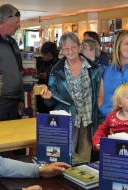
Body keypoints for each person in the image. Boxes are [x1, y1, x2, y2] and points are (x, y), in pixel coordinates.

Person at [41, 32, 101, 161]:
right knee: (64, 159)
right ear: (62, 50)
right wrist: (48, 98)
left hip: (87, 121)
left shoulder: (93, 68)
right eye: (66, 48)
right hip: (67, 121)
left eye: (73, 47)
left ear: (79, 47)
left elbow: (99, 96)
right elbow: (52, 101)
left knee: (84, 161)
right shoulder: (57, 71)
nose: (70, 51)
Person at [35, 41, 59, 113]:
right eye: (44, 54)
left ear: (53, 54)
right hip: (40, 94)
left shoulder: (58, 63)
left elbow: (59, 79)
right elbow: (38, 72)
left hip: (52, 96)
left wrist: (47, 76)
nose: (45, 56)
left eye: (47, 55)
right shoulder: (40, 61)